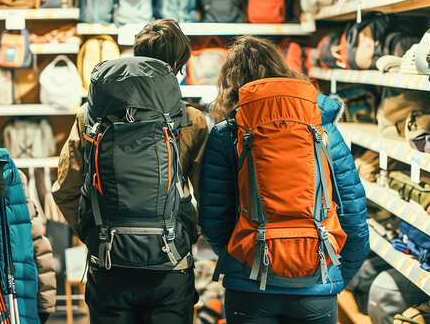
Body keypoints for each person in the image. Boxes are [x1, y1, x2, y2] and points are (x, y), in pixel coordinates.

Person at [199, 36, 369, 324]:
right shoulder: (323, 130)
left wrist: (246, 258)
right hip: (316, 284)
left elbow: (213, 223)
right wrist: (334, 274)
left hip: (249, 287)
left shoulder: (226, 134)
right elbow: (353, 216)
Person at [52, 19, 209, 324]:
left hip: (109, 261)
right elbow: (211, 195)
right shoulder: (191, 119)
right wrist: (186, 235)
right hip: (170, 264)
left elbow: (65, 189)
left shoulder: (89, 118)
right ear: (176, 65)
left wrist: (96, 233)